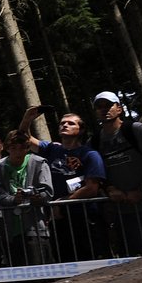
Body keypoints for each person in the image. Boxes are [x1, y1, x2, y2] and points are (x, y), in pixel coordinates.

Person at [17, 107, 106, 261]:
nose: (64, 125)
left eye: (71, 123)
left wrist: (62, 203)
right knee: (64, 260)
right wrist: (27, 119)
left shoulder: (90, 154)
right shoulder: (52, 149)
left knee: (90, 258)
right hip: (58, 217)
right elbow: (24, 139)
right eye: (62, 123)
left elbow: (92, 188)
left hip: (84, 216)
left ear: (81, 130)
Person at [91, 91, 142, 255]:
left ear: (119, 109)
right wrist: (110, 189)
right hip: (123, 212)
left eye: (109, 105)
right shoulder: (95, 140)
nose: (104, 110)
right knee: (135, 261)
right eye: (99, 107)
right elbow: (97, 173)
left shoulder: (136, 129)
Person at [0, 131, 53, 266]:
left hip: (35, 226)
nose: (18, 152)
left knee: (41, 268)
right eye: (13, 148)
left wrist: (37, 197)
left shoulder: (39, 163)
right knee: (17, 271)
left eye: (22, 148)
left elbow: (47, 191)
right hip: (10, 229)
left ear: (27, 148)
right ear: (7, 148)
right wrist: (14, 199)